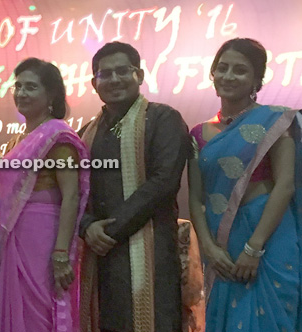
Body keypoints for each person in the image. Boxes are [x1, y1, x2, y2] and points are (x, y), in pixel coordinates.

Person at [188, 37, 302, 332]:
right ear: (212, 73)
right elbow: (197, 198)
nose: (228, 76)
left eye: (240, 70)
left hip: (269, 238)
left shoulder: (275, 121)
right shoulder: (198, 134)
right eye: (222, 68)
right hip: (223, 246)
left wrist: (254, 249)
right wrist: (209, 249)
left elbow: (285, 186)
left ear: (257, 80)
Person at [79, 42, 192, 332]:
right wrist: (87, 226)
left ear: (139, 75)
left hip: (149, 248)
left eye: (122, 71)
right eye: (105, 74)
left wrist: (108, 231)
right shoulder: (85, 134)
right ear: (94, 83)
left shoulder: (163, 119)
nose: (114, 79)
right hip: (99, 254)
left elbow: (163, 182)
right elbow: (73, 192)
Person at [0, 58, 90, 332]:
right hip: (15, 239)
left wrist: (60, 253)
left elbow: (71, 197)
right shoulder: (19, 140)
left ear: (51, 95)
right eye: (18, 86)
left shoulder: (58, 137)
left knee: (40, 313)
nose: (21, 93)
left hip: (43, 241)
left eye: (31, 87)